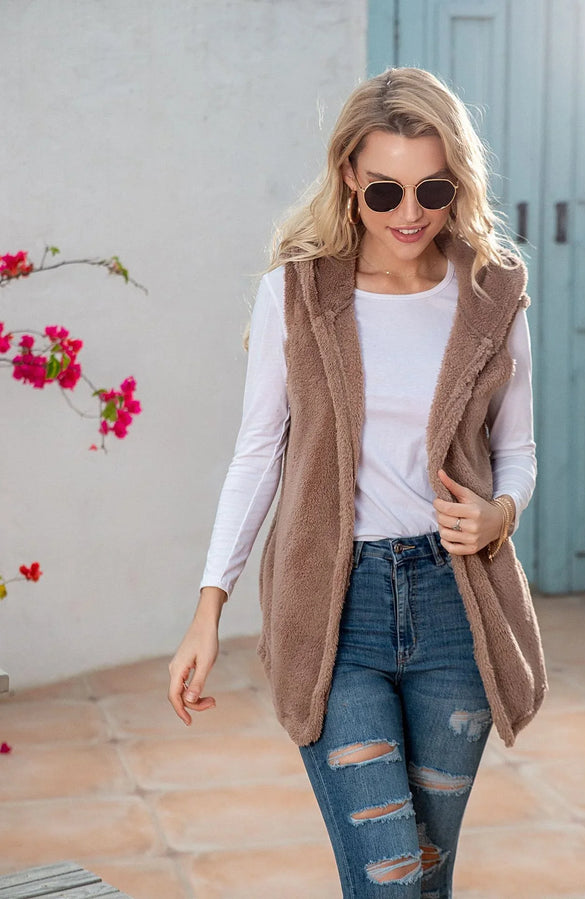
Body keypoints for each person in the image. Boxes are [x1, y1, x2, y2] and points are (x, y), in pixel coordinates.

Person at [168, 67, 547, 898]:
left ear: (459, 181)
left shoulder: (492, 296)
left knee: (427, 877)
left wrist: (500, 513)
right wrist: (210, 603)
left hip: (458, 610)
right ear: (348, 175)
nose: (410, 214)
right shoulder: (296, 296)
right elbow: (258, 453)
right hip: (336, 612)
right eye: (385, 192)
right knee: (389, 879)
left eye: (434, 189)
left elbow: (516, 450)